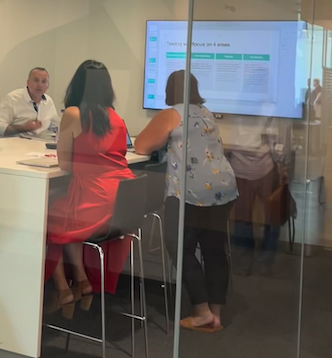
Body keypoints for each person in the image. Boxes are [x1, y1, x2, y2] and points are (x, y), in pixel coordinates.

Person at [134, 70, 238, 332]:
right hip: (223, 188)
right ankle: (215, 314)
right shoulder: (206, 113)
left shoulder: (172, 114)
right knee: (214, 250)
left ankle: (201, 312)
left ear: (170, 91)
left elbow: (142, 146)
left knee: (179, 247)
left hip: (190, 192)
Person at [45, 60, 134, 317]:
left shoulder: (73, 114)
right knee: (65, 215)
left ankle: (63, 289)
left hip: (93, 199)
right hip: (119, 203)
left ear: (78, 84)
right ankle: (82, 282)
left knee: (48, 218)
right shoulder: (115, 117)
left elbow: (64, 162)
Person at [227, 116, 281, 276]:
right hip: (264, 168)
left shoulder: (236, 110)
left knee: (243, 218)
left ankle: (244, 263)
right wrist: (281, 164)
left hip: (241, 169)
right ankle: (266, 261)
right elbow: (275, 142)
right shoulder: (268, 110)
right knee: (272, 218)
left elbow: (227, 137)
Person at [0, 68, 60, 138]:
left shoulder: (49, 101)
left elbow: (56, 127)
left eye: (44, 81)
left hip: (41, 145)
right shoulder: (13, 98)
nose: (40, 85)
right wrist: (24, 128)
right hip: (16, 145)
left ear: (48, 85)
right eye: (36, 80)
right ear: (28, 82)